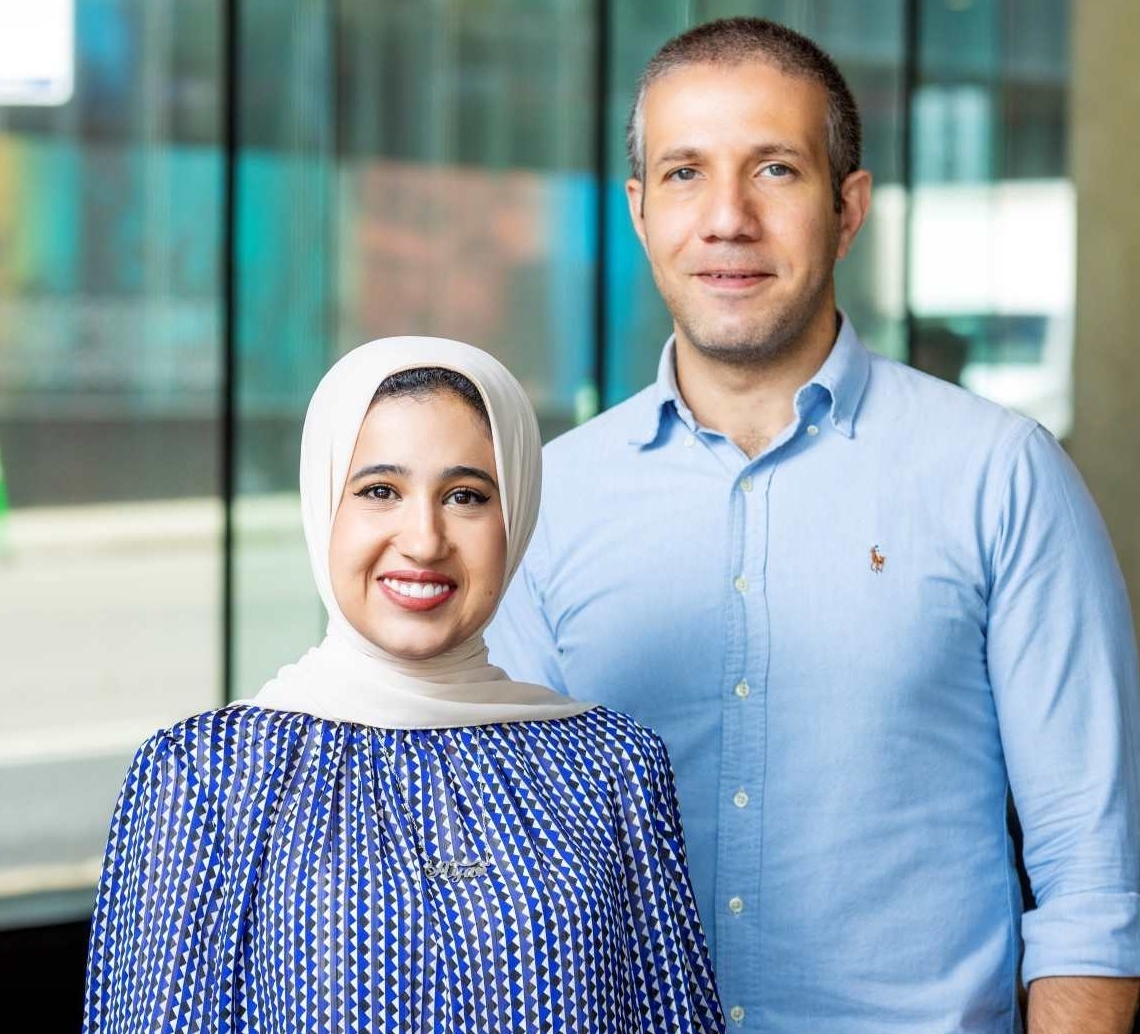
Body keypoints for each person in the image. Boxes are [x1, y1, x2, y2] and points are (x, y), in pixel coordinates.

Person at [487, 17, 1140, 1034]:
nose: (726, 219)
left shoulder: (998, 474)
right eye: (682, 174)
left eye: (774, 170)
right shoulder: (549, 498)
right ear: (636, 211)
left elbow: (1091, 877)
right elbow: (507, 860)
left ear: (848, 208)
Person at [83, 337, 723, 1033]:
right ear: (325, 502)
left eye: (466, 495)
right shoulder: (205, 776)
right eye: (380, 491)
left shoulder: (612, 767)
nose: (424, 539)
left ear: (518, 518)